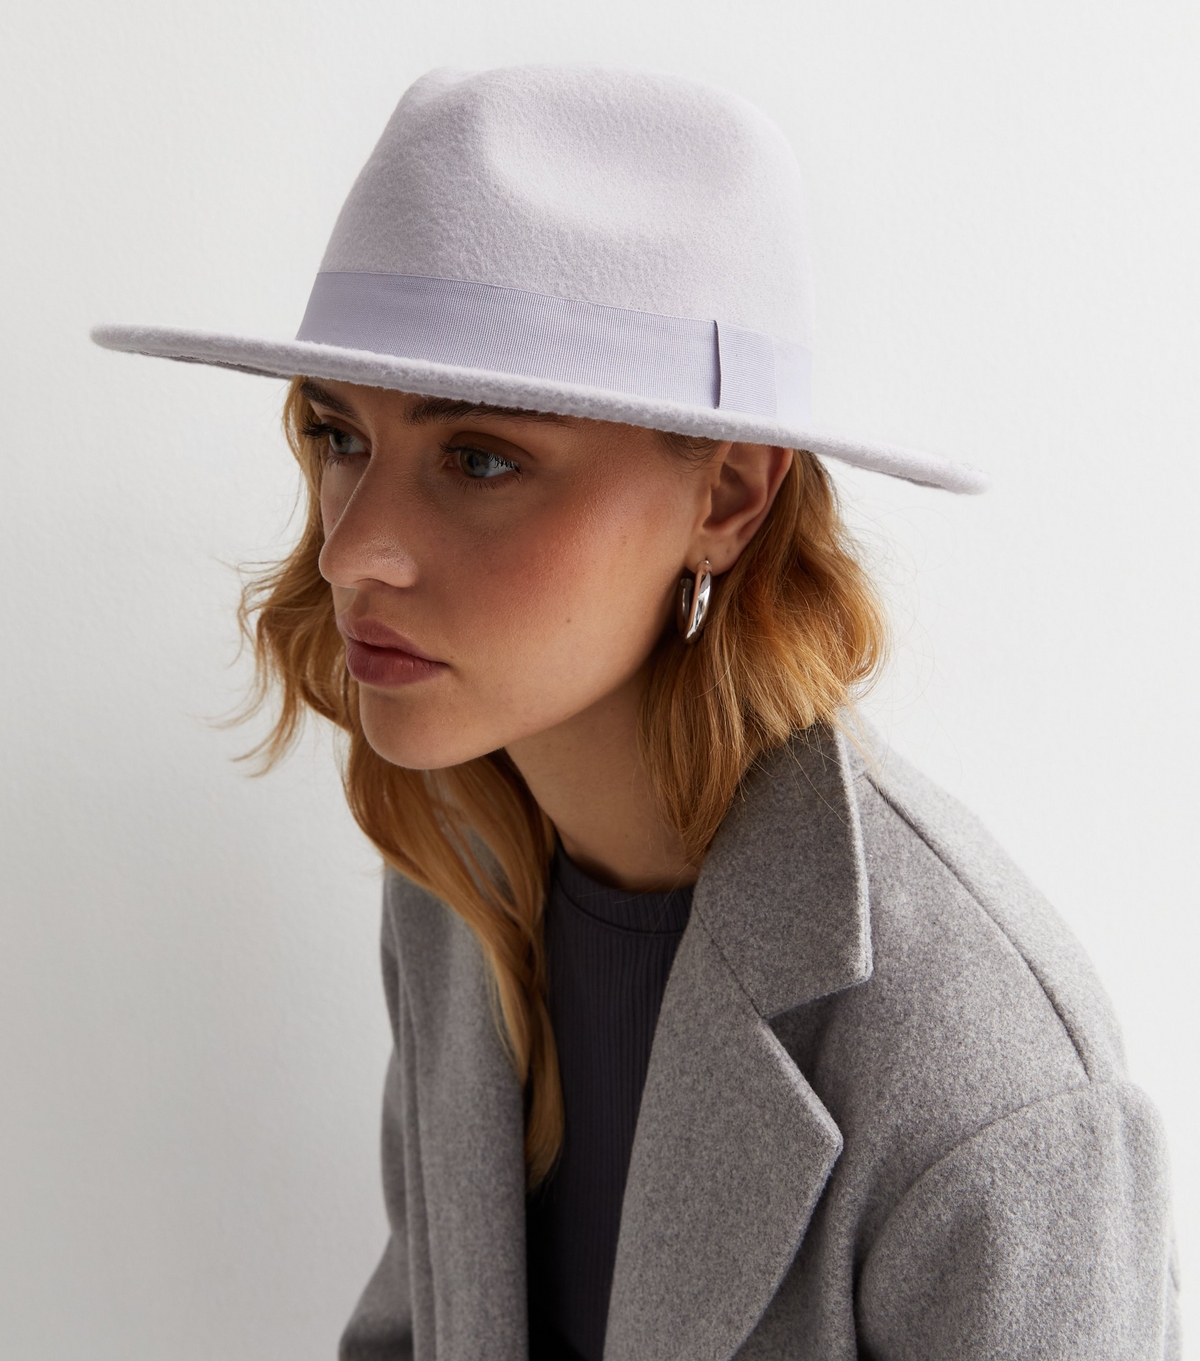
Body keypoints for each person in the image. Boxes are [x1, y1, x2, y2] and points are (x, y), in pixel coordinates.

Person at [92, 64, 1179, 1361]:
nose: (352, 549)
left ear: (727, 497)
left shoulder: (989, 1079)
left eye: (479, 457)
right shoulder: (458, 871)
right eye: (340, 437)